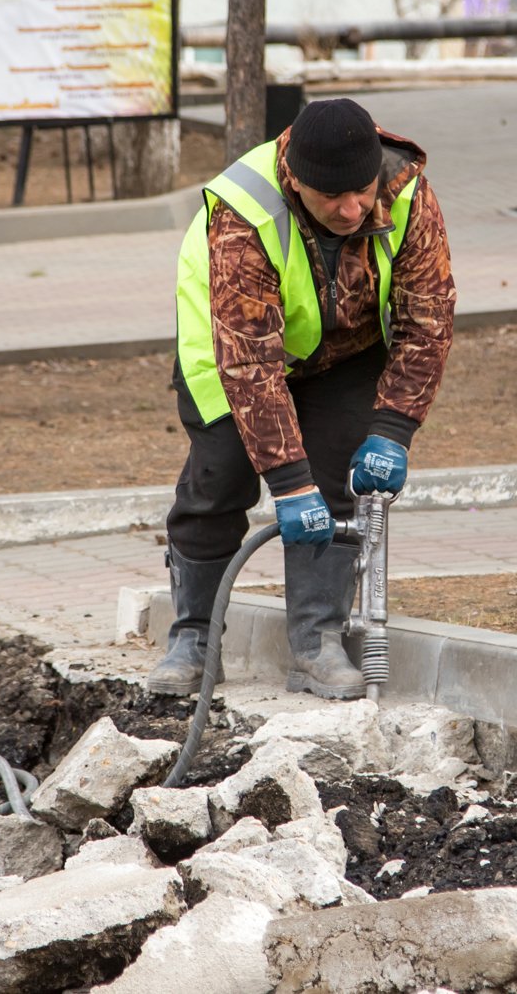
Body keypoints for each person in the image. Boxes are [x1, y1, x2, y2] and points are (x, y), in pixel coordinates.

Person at [149, 96, 455, 700]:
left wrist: (393, 427)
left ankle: (316, 644)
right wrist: (289, 482)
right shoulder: (245, 210)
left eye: (361, 192)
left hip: (343, 350)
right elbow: (252, 363)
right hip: (231, 351)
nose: (353, 208)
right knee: (220, 481)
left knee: (340, 480)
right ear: (297, 184)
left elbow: (428, 318)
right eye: (332, 199)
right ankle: (192, 638)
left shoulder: (406, 191)